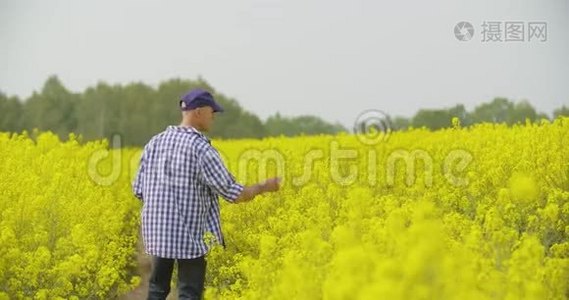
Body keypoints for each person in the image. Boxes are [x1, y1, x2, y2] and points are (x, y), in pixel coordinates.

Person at [132, 88, 281, 299]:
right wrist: (265, 186)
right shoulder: (200, 149)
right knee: (189, 293)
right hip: (188, 236)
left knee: (156, 291)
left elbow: (138, 189)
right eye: (212, 112)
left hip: (157, 234)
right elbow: (234, 194)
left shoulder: (154, 143)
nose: (214, 117)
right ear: (199, 112)